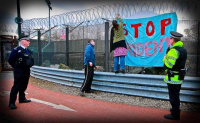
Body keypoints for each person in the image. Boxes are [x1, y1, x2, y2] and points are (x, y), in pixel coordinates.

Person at [162, 31, 187, 120]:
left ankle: (175, 114)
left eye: (170, 38)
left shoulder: (173, 51)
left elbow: (168, 65)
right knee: (176, 96)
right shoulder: (183, 50)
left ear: (173, 39)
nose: (169, 40)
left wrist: (165, 58)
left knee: (173, 97)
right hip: (179, 78)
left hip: (173, 78)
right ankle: (175, 113)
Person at [8, 36, 34, 110]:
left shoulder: (28, 50)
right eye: (28, 41)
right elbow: (10, 60)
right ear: (23, 41)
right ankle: (12, 103)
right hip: (19, 71)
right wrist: (16, 67)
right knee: (16, 86)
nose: (29, 42)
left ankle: (22, 98)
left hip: (26, 70)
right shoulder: (16, 50)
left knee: (24, 85)